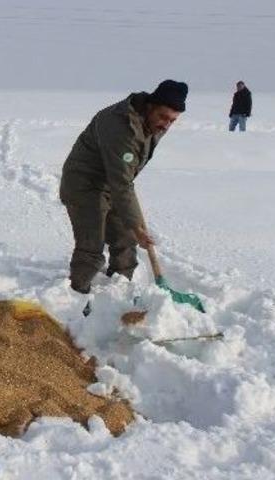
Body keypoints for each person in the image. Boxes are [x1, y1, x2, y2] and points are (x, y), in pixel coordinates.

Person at [59, 80, 188, 314]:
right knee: (92, 245)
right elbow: (122, 182)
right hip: (84, 184)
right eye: (163, 116)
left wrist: (133, 227)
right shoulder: (121, 127)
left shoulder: (150, 124)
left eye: (172, 120)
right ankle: (76, 301)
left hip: (113, 182)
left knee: (126, 240)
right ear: (150, 105)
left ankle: (119, 290)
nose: (166, 124)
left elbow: (123, 179)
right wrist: (138, 226)